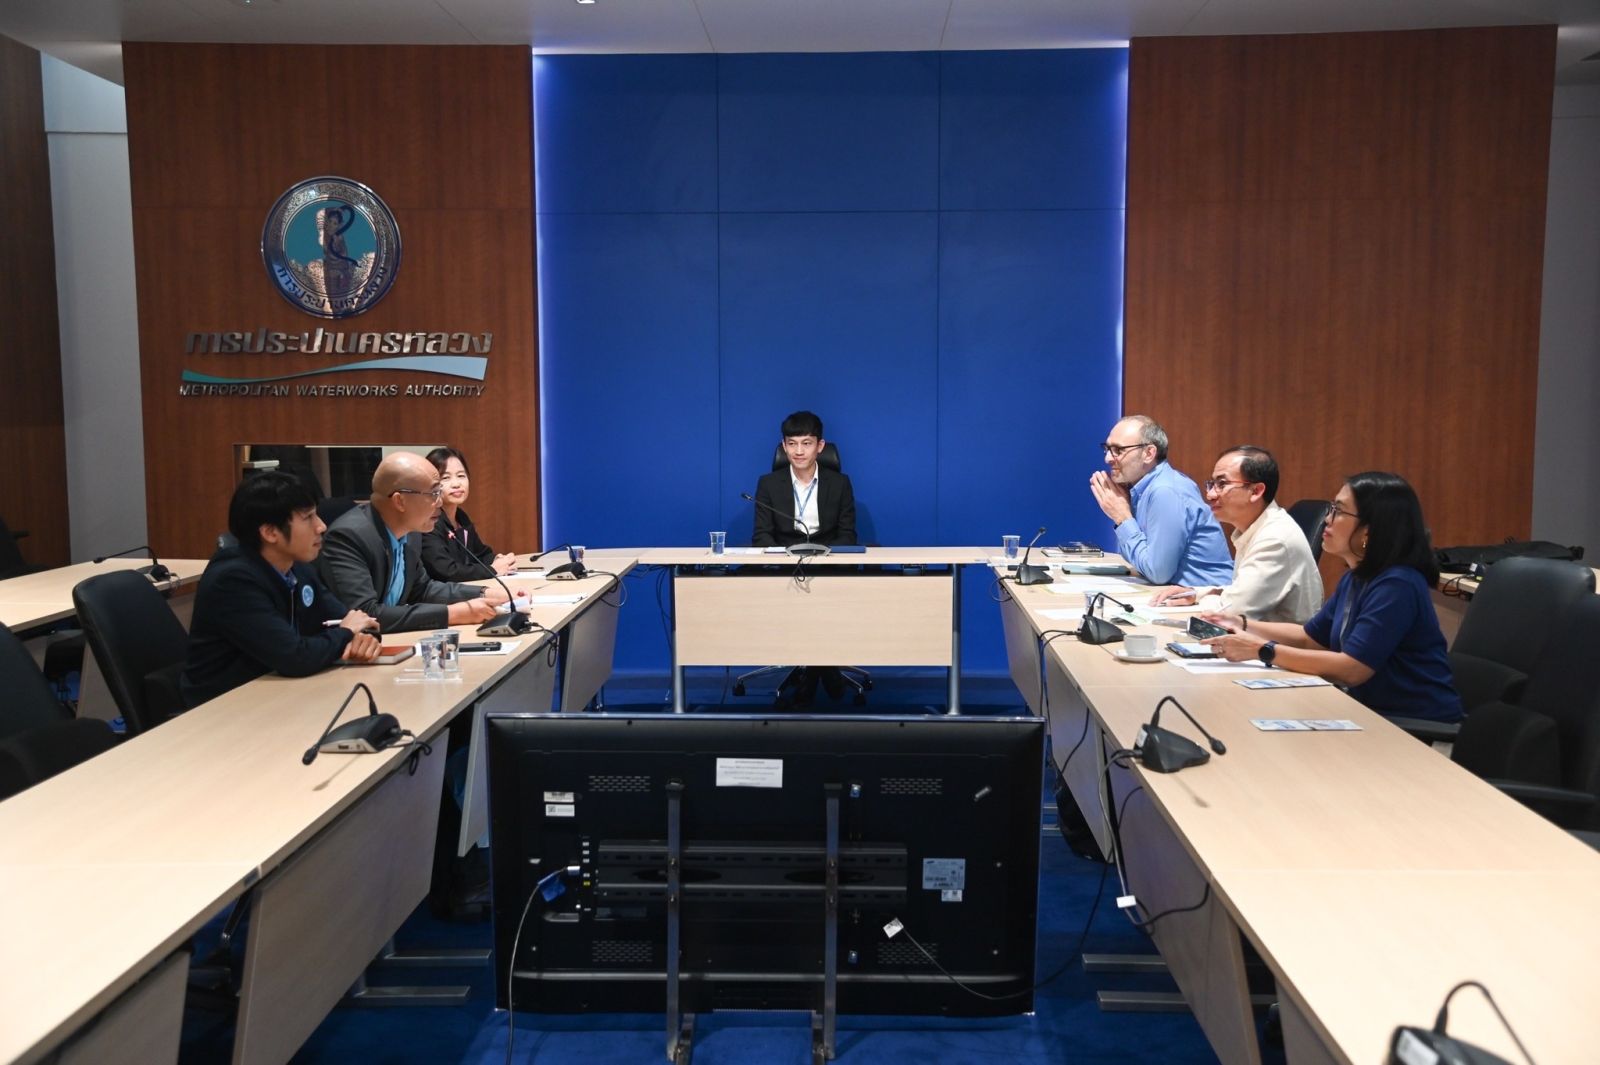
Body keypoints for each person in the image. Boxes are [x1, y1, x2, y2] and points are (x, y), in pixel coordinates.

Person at [1201, 471, 1463, 724]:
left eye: (1338, 511)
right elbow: (1309, 638)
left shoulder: (1397, 585)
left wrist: (1262, 650)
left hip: (1407, 720)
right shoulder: (1356, 577)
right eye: (1331, 508)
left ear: (1369, 530)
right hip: (1364, 709)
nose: (1327, 519)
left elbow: (1352, 669)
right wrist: (1242, 623)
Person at [180, 471, 381, 708]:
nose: (321, 526)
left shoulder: (298, 567)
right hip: (224, 707)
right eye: (308, 517)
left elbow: (353, 621)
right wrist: (346, 633)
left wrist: (363, 638)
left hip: (280, 692)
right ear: (270, 532)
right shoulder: (233, 581)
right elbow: (296, 657)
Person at [318, 452, 512, 633]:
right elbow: (365, 614)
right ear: (400, 501)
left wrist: (484, 593)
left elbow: (423, 589)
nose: (440, 502)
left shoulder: (411, 533)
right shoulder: (349, 537)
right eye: (433, 494)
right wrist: (452, 614)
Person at [1150, 445, 1323, 622]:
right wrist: (1196, 593)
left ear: (1256, 491)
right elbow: (1241, 593)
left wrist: (1207, 599)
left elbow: (1230, 612)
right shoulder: (1257, 527)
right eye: (1212, 484)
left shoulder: (1275, 539)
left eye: (1222, 484)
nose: (1210, 495)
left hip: (1267, 638)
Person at [1088, 415, 1233, 587]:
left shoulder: (1165, 491)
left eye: (1118, 450)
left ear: (1149, 453)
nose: (1108, 458)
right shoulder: (1141, 488)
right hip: (1177, 593)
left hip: (1208, 597)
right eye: (1107, 449)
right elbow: (1141, 563)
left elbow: (1158, 573)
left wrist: (1122, 518)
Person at [753, 410, 857, 548]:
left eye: (806, 443)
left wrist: (825, 555)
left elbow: (847, 535)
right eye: (792, 443)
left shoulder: (840, 484)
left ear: (820, 446)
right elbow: (762, 535)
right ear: (784, 446)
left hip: (828, 557)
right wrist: (781, 556)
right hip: (783, 558)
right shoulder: (768, 484)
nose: (799, 451)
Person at [420, 446, 519, 581]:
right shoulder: (428, 520)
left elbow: (479, 554)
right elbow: (445, 571)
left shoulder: (460, 517)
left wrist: (499, 560)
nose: (456, 484)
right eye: (446, 478)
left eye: (461, 476)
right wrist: (492, 570)